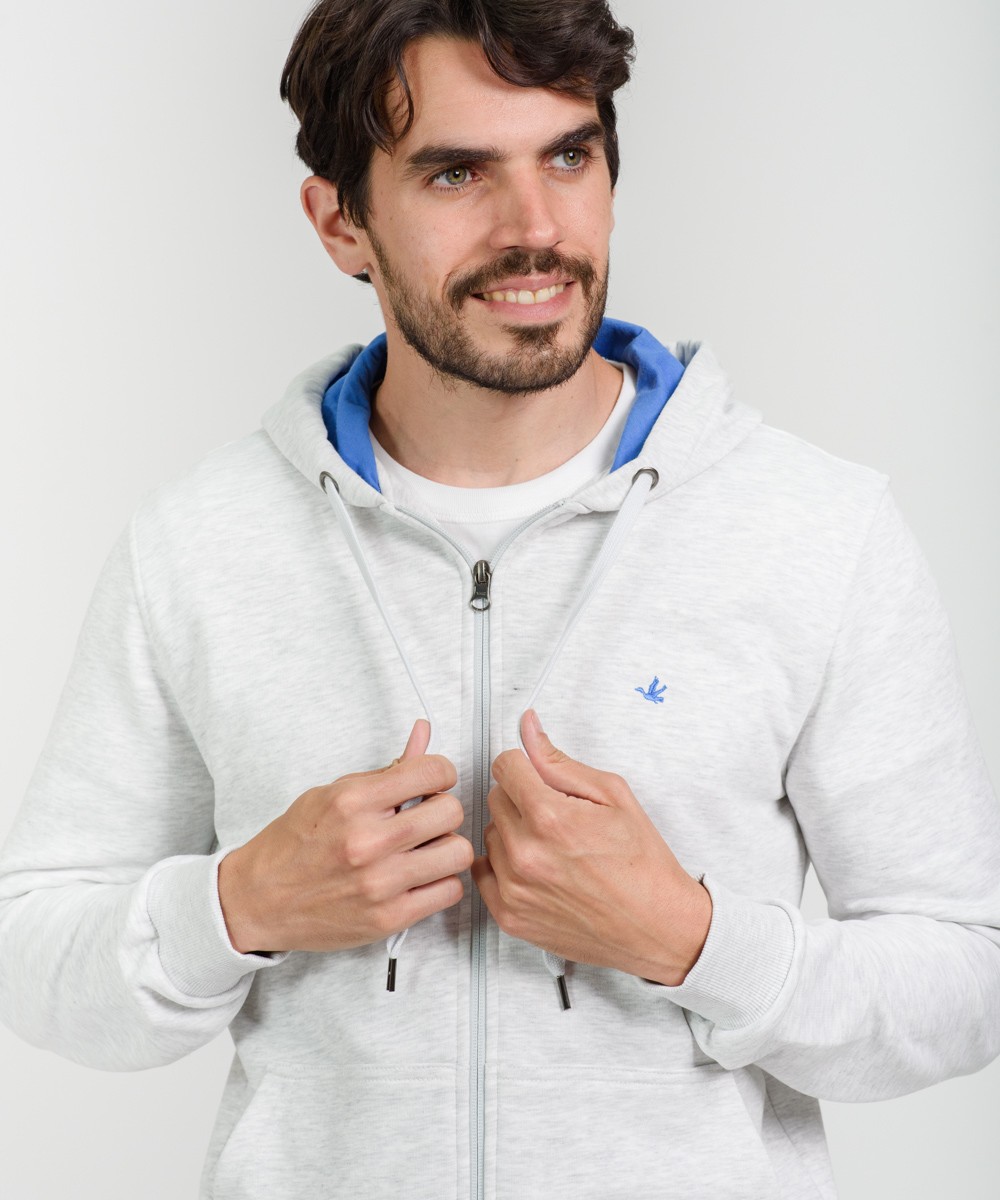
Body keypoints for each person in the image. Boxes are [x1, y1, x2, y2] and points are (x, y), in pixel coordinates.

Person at [1, 0, 998, 1196]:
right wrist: (240, 903)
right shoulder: (199, 544)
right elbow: (34, 958)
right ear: (340, 222)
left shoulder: (818, 529)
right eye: (456, 173)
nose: (535, 229)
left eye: (568, 158)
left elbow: (965, 980)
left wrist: (690, 938)